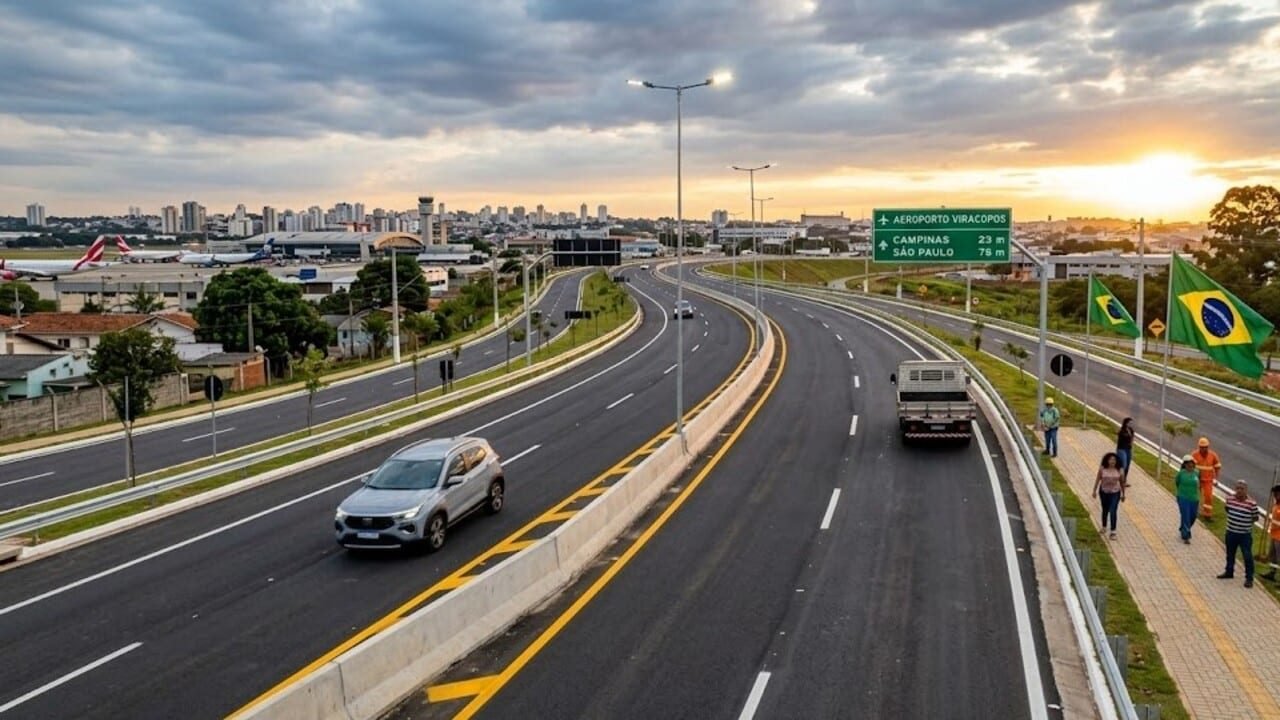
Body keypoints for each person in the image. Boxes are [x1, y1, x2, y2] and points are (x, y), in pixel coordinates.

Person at [1217, 480, 1260, 588]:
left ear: (1246, 490)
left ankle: (1249, 578)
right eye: (1238, 488)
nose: (1239, 491)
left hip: (1244, 535)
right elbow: (1227, 509)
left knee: (1247, 556)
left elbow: (1255, 517)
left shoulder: (1252, 504)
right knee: (1230, 554)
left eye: (1242, 489)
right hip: (1231, 532)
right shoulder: (1229, 499)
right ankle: (1229, 571)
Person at [1092, 452, 1126, 539]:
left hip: (1115, 492)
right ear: (1107, 460)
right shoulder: (1102, 469)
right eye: (1110, 459)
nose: (1112, 461)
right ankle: (1104, 526)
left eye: (1114, 460)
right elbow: (1098, 479)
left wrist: (1123, 494)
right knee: (1105, 509)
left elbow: (1122, 483)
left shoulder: (1119, 470)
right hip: (1104, 491)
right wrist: (1094, 490)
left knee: (1113, 510)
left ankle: (1113, 531)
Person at [1192, 437, 1222, 520]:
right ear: (1199, 447)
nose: (1203, 449)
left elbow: (1217, 467)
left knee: (1208, 497)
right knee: (1195, 496)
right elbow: (1189, 467)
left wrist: (1216, 479)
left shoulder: (1213, 455)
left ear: (1208, 447)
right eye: (1202, 447)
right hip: (1197, 479)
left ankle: (1207, 514)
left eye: (1205, 447)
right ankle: (1194, 511)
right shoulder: (1194, 455)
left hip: (1208, 480)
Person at [1174, 455, 1200, 544]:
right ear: (1184, 465)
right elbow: (1177, 482)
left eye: (1192, 464)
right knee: (1186, 516)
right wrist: (1180, 493)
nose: (1190, 466)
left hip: (1194, 499)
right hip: (1183, 498)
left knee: (1193, 516)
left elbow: (1199, 484)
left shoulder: (1197, 473)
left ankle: (1183, 528)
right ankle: (1186, 536)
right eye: (1188, 464)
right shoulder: (1181, 473)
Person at [1261, 485, 1280, 582]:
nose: (1276, 496)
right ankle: (1272, 573)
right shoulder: (1276, 504)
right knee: (1273, 556)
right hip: (1274, 535)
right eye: (1275, 494)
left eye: (1277, 494)